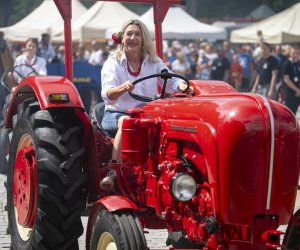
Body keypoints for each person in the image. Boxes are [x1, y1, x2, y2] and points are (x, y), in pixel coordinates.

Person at [101, 19, 192, 161]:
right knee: (127, 122)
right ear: (122, 38)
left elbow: (169, 78)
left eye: (137, 34)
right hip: (116, 114)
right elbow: (108, 95)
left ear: (143, 39)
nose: (133, 38)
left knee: (170, 122)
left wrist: (182, 86)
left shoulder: (153, 61)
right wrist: (122, 88)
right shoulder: (113, 62)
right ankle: (115, 169)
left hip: (146, 114)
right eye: (129, 34)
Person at [282, 46, 300, 114]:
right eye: (293, 53)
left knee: (295, 113)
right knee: (289, 113)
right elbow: (286, 80)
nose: (295, 55)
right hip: (290, 93)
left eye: (297, 53)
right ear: (290, 53)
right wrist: (297, 90)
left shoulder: (298, 63)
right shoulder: (287, 64)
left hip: (298, 93)